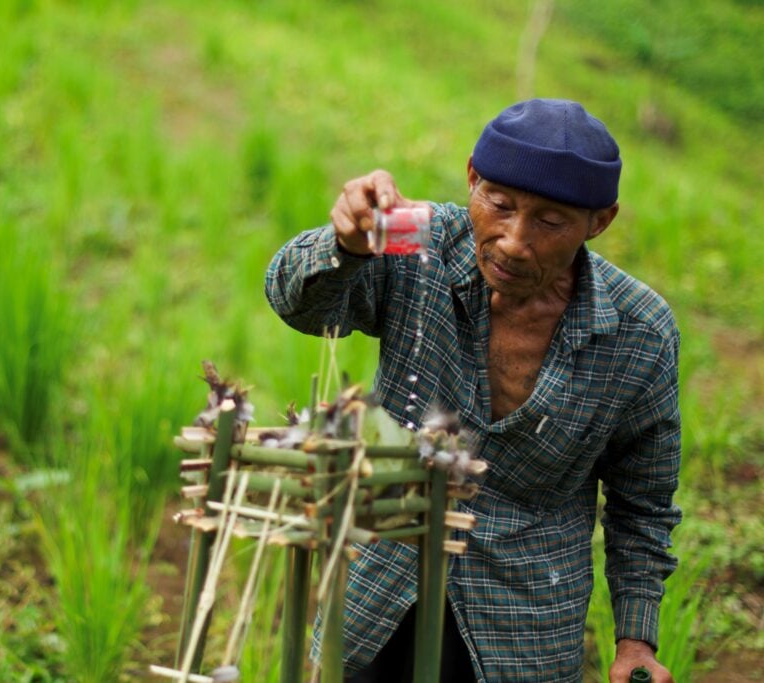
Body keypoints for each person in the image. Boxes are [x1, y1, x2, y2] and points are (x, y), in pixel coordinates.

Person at [265, 99, 681, 682]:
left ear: (599, 221)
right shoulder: (420, 242)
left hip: (521, 623)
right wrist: (346, 245)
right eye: (500, 205)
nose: (513, 240)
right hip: (382, 579)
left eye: (550, 221)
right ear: (471, 179)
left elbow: (644, 503)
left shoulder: (640, 334)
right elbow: (297, 302)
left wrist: (636, 642)